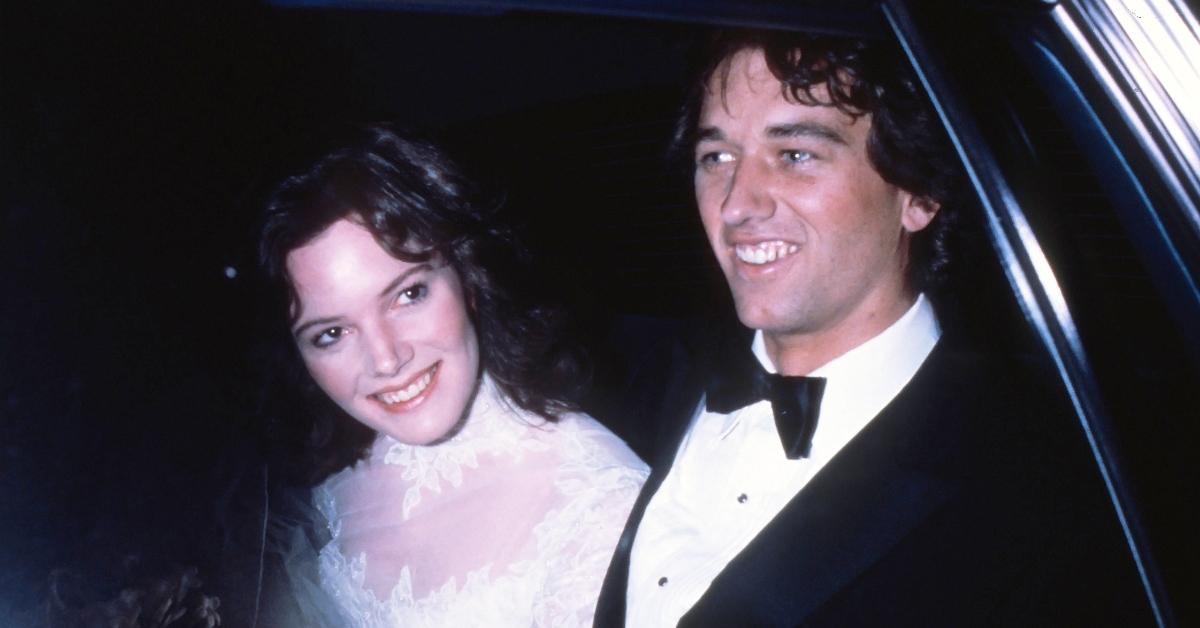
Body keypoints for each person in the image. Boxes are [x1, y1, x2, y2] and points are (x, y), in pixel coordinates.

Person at [594, 30, 1151, 626]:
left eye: (795, 155)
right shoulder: (638, 377)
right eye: (717, 157)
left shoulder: (1045, 495)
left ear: (919, 193)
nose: (736, 204)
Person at [257, 125, 647, 627]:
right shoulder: (336, 479)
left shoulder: (599, 505)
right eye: (332, 333)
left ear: (470, 278)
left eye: (408, 295)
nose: (385, 359)